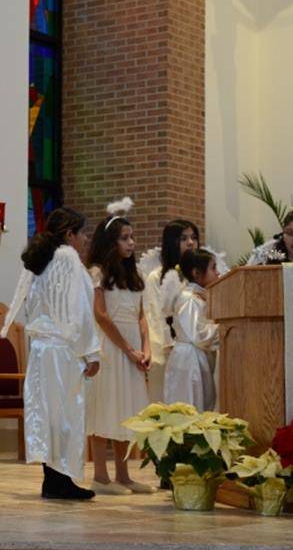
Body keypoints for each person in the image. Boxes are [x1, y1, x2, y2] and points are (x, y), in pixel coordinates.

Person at [0, 207, 100, 500]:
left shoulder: (40, 260)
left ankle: (52, 479)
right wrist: (91, 352)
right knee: (66, 415)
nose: (85, 239)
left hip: (41, 350)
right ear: (69, 234)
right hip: (62, 351)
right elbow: (80, 309)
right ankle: (61, 481)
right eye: (82, 233)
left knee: (47, 415)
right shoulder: (68, 260)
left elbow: (28, 305)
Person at [85, 203, 153, 495]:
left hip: (133, 350)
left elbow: (141, 314)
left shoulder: (134, 274)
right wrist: (127, 349)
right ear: (110, 242)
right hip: (110, 349)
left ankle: (123, 476)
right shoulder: (98, 272)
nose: (131, 243)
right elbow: (100, 315)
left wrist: (146, 347)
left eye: (132, 237)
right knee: (106, 407)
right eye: (125, 237)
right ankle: (100, 477)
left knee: (126, 409)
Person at [138, 219, 199, 404]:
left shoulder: (199, 275)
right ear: (172, 243)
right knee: (167, 403)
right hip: (168, 350)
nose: (190, 243)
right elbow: (154, 314)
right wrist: (169, 345)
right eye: (183, 238)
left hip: (197, 349)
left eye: (194, 238)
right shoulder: (156, 277)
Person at [162, 249, 221, 410]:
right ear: (196, 273)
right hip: (190, 360)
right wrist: (225, 328)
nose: (218, 273)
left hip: (196, 356)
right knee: (191, 405)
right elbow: (200, 335)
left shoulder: (198, 295)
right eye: (213, 268)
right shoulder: (190, 298)